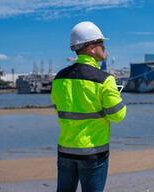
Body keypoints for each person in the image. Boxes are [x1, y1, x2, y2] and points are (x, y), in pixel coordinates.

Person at [51, 21, 126, 192]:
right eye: (101, 43)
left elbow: (59, 108)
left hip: (65, 151)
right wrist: (116, 96)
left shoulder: (59, 78)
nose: (104, 48)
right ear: (91, 47)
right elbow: (118, 115)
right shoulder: (104, 79)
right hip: (92, 154)